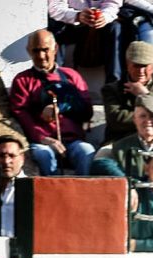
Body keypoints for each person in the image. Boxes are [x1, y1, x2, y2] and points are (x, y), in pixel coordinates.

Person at [9, 29, 97, 176]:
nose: (41, 56)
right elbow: (20, 114)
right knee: (44, 155)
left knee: (87, 151)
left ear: (55, 48)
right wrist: (42, 138)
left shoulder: (72, 76)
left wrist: (61, 106)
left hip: (73, 140)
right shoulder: (22, 80)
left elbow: (87, 111)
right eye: (36, 51)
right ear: (29, 51)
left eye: (45, 50)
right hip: (42, 142)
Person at [90, 94, 153, 192]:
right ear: (135, 119)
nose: (148, 121)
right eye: (143, 116)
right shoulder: (121, 147)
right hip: (135, 199)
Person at [100, 41, 153, 144]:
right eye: (136, 65)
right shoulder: (112, 89)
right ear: (127, 64)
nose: (141, 71)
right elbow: (117, 119)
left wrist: (146, 95)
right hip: (124, 142)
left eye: (145, 66)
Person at [47, 0, 124, 84]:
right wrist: (77, 15)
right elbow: (55, 7)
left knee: (115, 28)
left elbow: (112, 3)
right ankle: (54, 81)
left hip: (99, 24)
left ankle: (113, 84)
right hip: (71, 23)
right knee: (56, 28)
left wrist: (104, 16)